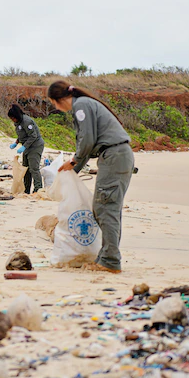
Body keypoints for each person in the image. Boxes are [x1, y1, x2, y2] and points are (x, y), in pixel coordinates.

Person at [48, 80, 134, 273]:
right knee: (107, 207)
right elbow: (88, 143)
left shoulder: (81, 106)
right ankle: (106, 257)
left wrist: (74, 161)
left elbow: (86, 140)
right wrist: (73, 171)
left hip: (114, 156)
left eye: (54, 104)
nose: (57, 108)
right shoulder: (84, 104)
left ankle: (110, 261)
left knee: (105, 207)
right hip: (116, 156)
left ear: (59, 99)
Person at [8, 103, 45, 193]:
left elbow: (33, 136)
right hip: (27, 147)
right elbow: (22, 135)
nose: (12, 120)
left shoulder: (27, 121)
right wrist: (16, 143)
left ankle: (38, 189)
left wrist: (24, 147)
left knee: (34, 168)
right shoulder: (18, 123)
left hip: (35, 146)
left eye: (13, 118)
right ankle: (26, 189)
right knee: (26, 169)